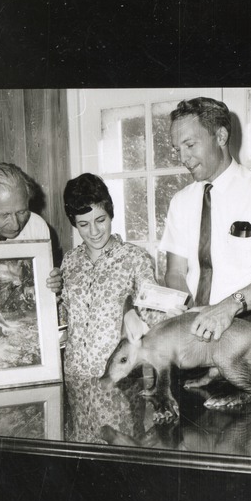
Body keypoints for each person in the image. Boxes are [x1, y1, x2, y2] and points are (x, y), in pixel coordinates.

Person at [160, 97, 251, 343]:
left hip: (241, 324)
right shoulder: (180, 202)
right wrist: (190, 311)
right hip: (190, 327)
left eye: (190, 145)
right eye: (176, 149)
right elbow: (175, 271)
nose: (183, 157)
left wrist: (228, 306)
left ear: (221, 137)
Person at [50, 173, 162, 443]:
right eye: (83, 224)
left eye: (101, 220)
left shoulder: (135, 259)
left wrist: (136, 311)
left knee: (118, 464)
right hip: (75, 383)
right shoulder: (69, 262)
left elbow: (156, 320)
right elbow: (63, 322)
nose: (94, 231)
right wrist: (51, 295)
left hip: (120, 383)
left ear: (111, 213)